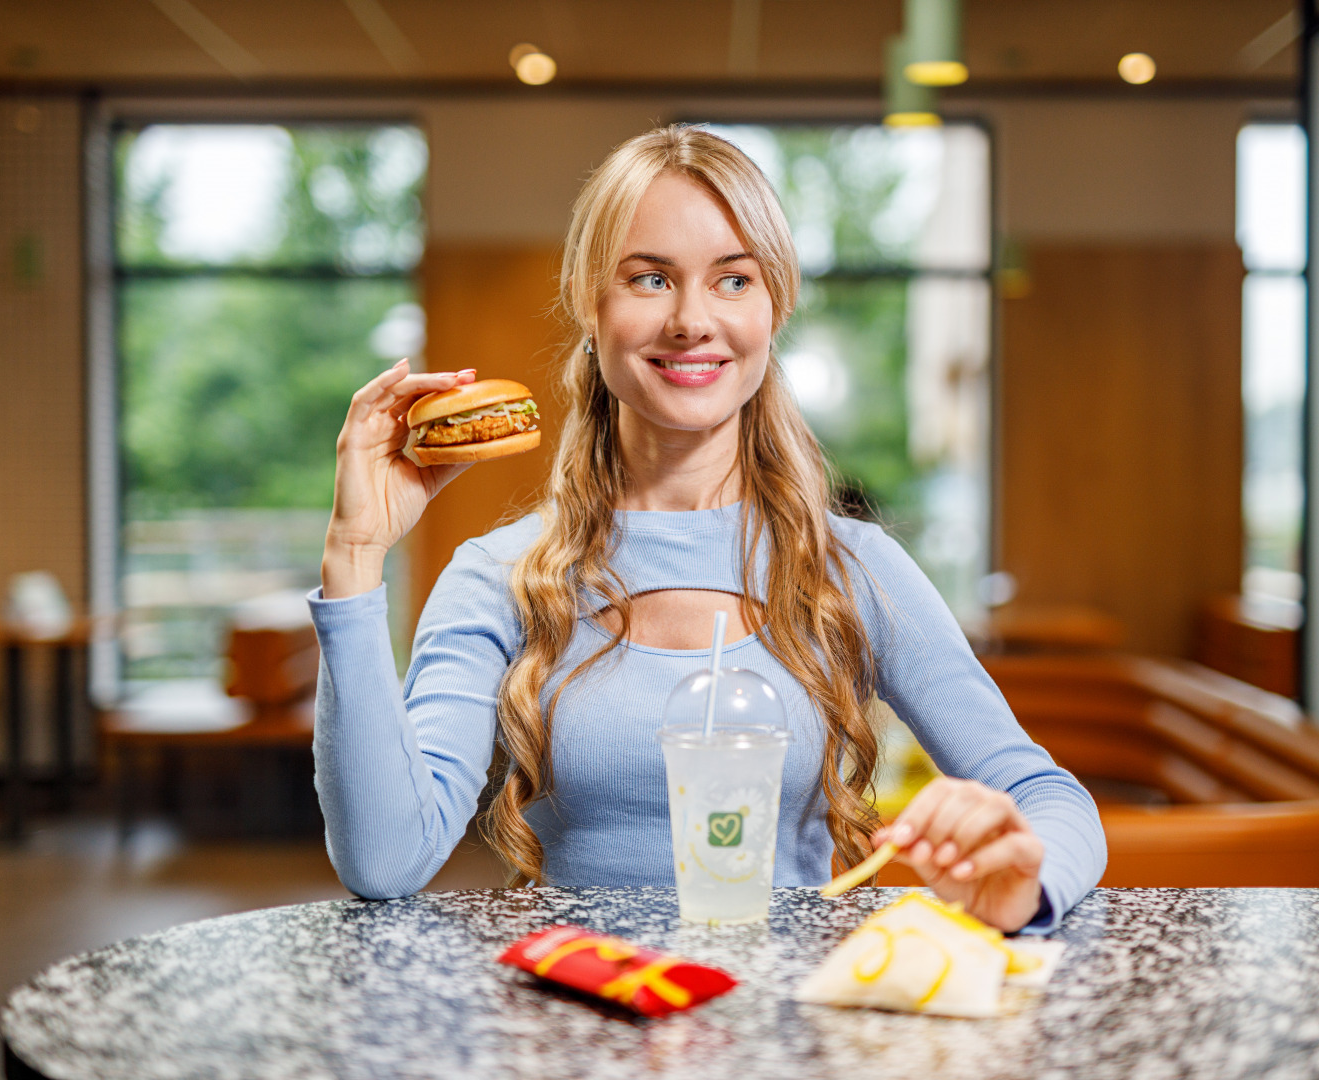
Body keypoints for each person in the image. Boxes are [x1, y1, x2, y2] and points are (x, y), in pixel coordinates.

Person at [311, 125, 1105, 933]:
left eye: (733, 280)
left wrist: (1026, 880)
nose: (692, 320)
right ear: (592, 302)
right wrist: (356, 553)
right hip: (586, 1030)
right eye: (650, 279)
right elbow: (384, 860)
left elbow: (1047, 799)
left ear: (775, 305)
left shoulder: (856, 569)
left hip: (784, 1038)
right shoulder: (499, 576)